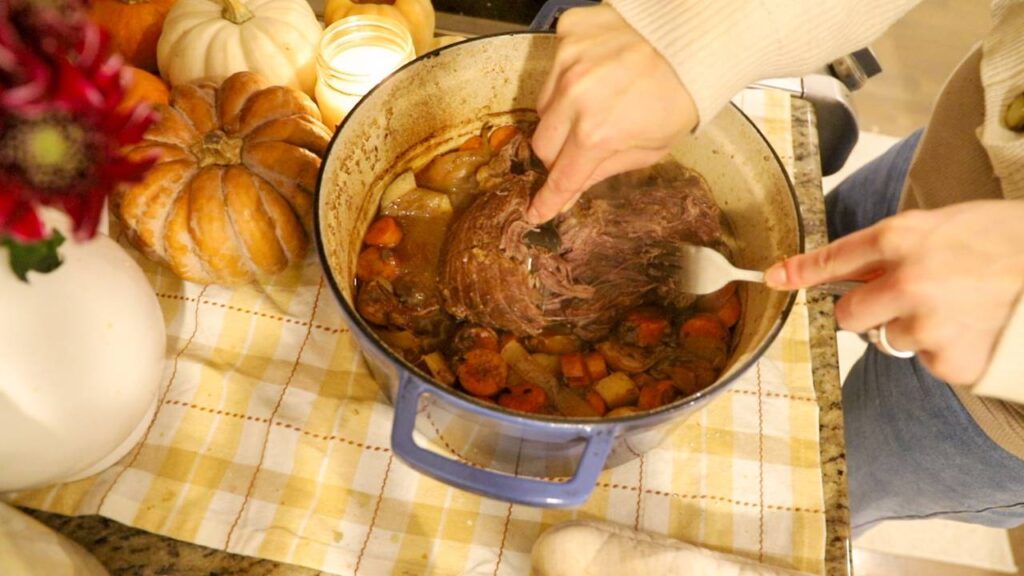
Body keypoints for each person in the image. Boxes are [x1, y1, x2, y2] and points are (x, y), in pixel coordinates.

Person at [529, 0, 1024, 537]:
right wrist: (698, 33)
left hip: (994, 402)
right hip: (968, 145)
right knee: (817, 245)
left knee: (807, 497)